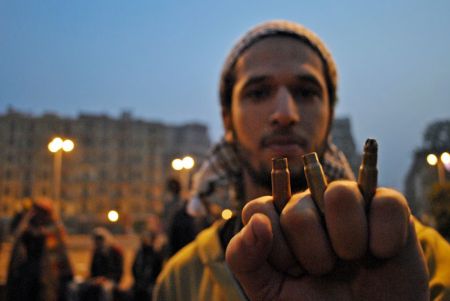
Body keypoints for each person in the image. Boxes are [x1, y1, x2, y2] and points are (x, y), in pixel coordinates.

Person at [153, 20, 450, 300]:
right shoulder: (181, 278)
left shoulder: (421, 254)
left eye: (306, 92)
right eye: (258, 93)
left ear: (330, 116)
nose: (285, 113)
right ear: (227, 119)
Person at [6, 199, 73, 301]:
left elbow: (59, 253)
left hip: (49, 274)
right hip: (30, 274)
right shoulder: (29, 228)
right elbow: (17, 235)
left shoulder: (54, 228)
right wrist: (26, 218)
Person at [69, 227, 124, 301]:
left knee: (105, 290)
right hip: (96, 280)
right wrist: (94, 279)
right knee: (74, 286)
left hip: (110, 280)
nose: (98, 242)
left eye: (99, 240)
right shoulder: (96, 252)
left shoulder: (115, 251)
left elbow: (118, 272)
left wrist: (105, 279)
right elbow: (92, 270)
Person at [132, 231, 163, 301]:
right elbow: (134, 269)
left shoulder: (156, 254)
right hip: (139, 285)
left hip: (150, 285)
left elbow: (158, 271)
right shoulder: (139, 254)